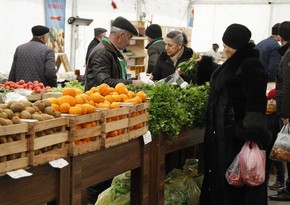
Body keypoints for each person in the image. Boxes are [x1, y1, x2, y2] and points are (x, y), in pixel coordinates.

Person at [198, 23, 270, 205]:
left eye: (226, 46)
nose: (224, 50)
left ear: (236, 46)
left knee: (236, 184)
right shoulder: (237, 62)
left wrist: (249, 134)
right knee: (224, 181)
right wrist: (207, 67)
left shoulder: (251, 65)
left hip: (235, 140)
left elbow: (256, 103)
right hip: (224, 137)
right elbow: (226, 79)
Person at [84, 16, 142, 90]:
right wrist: (132, 83)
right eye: (129, 38)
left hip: (109, 99)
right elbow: (104, 82)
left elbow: (116, 77)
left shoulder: (112, 51)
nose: (129, 42)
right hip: (99, 100)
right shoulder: (101, 52)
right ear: (121, 36)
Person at [269, 21, 290, 202]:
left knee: (288, 151)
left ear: (280, 37)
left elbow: (286, 87)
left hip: (288, 113)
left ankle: (288, 189)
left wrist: (285, 114)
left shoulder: (288, 55)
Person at [265, 89, 285, 190]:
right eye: (270, 99)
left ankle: (280, 181)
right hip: (267, 142)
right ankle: (266, 179)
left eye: (274, 99)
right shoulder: (265, 114)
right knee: (266, 162)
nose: (271, 101)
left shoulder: (279, 116)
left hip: (276, 142)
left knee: (278, 161)